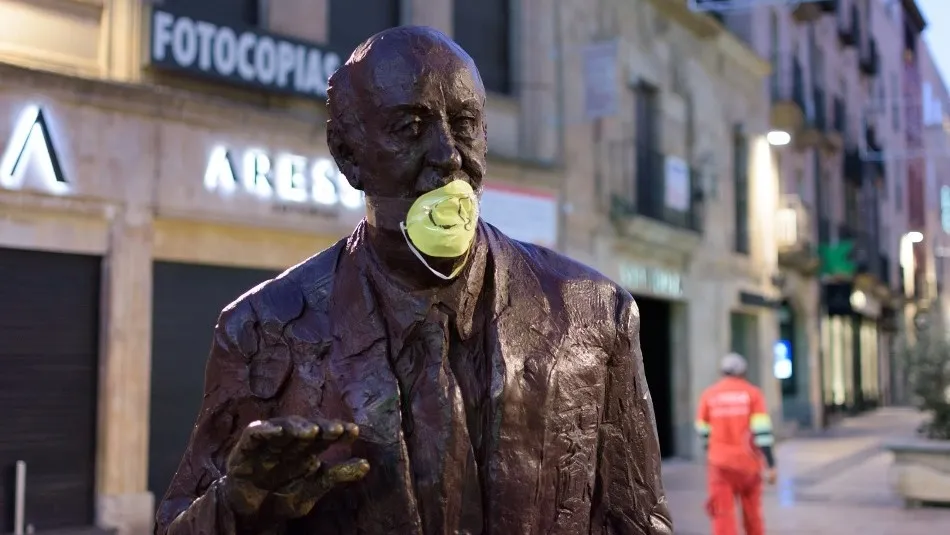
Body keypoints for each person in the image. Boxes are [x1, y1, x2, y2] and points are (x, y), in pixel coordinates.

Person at [154, 26, 672, 535]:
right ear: (348, 154)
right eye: (409, 127)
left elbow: (639, 520)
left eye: (465, 124)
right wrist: (237, 508)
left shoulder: (594, 313)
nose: (448, 155)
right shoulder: (263, 329)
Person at [695, 353, 777, 535]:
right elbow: (763, 433)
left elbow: (702, 429)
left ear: (722, 372)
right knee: (753, 516)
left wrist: (711, 449)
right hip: (749, 466)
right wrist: (771, 464)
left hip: (720, 465)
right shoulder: (753, 394)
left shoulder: (709, 395)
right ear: (743, 372)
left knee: (722, 516)